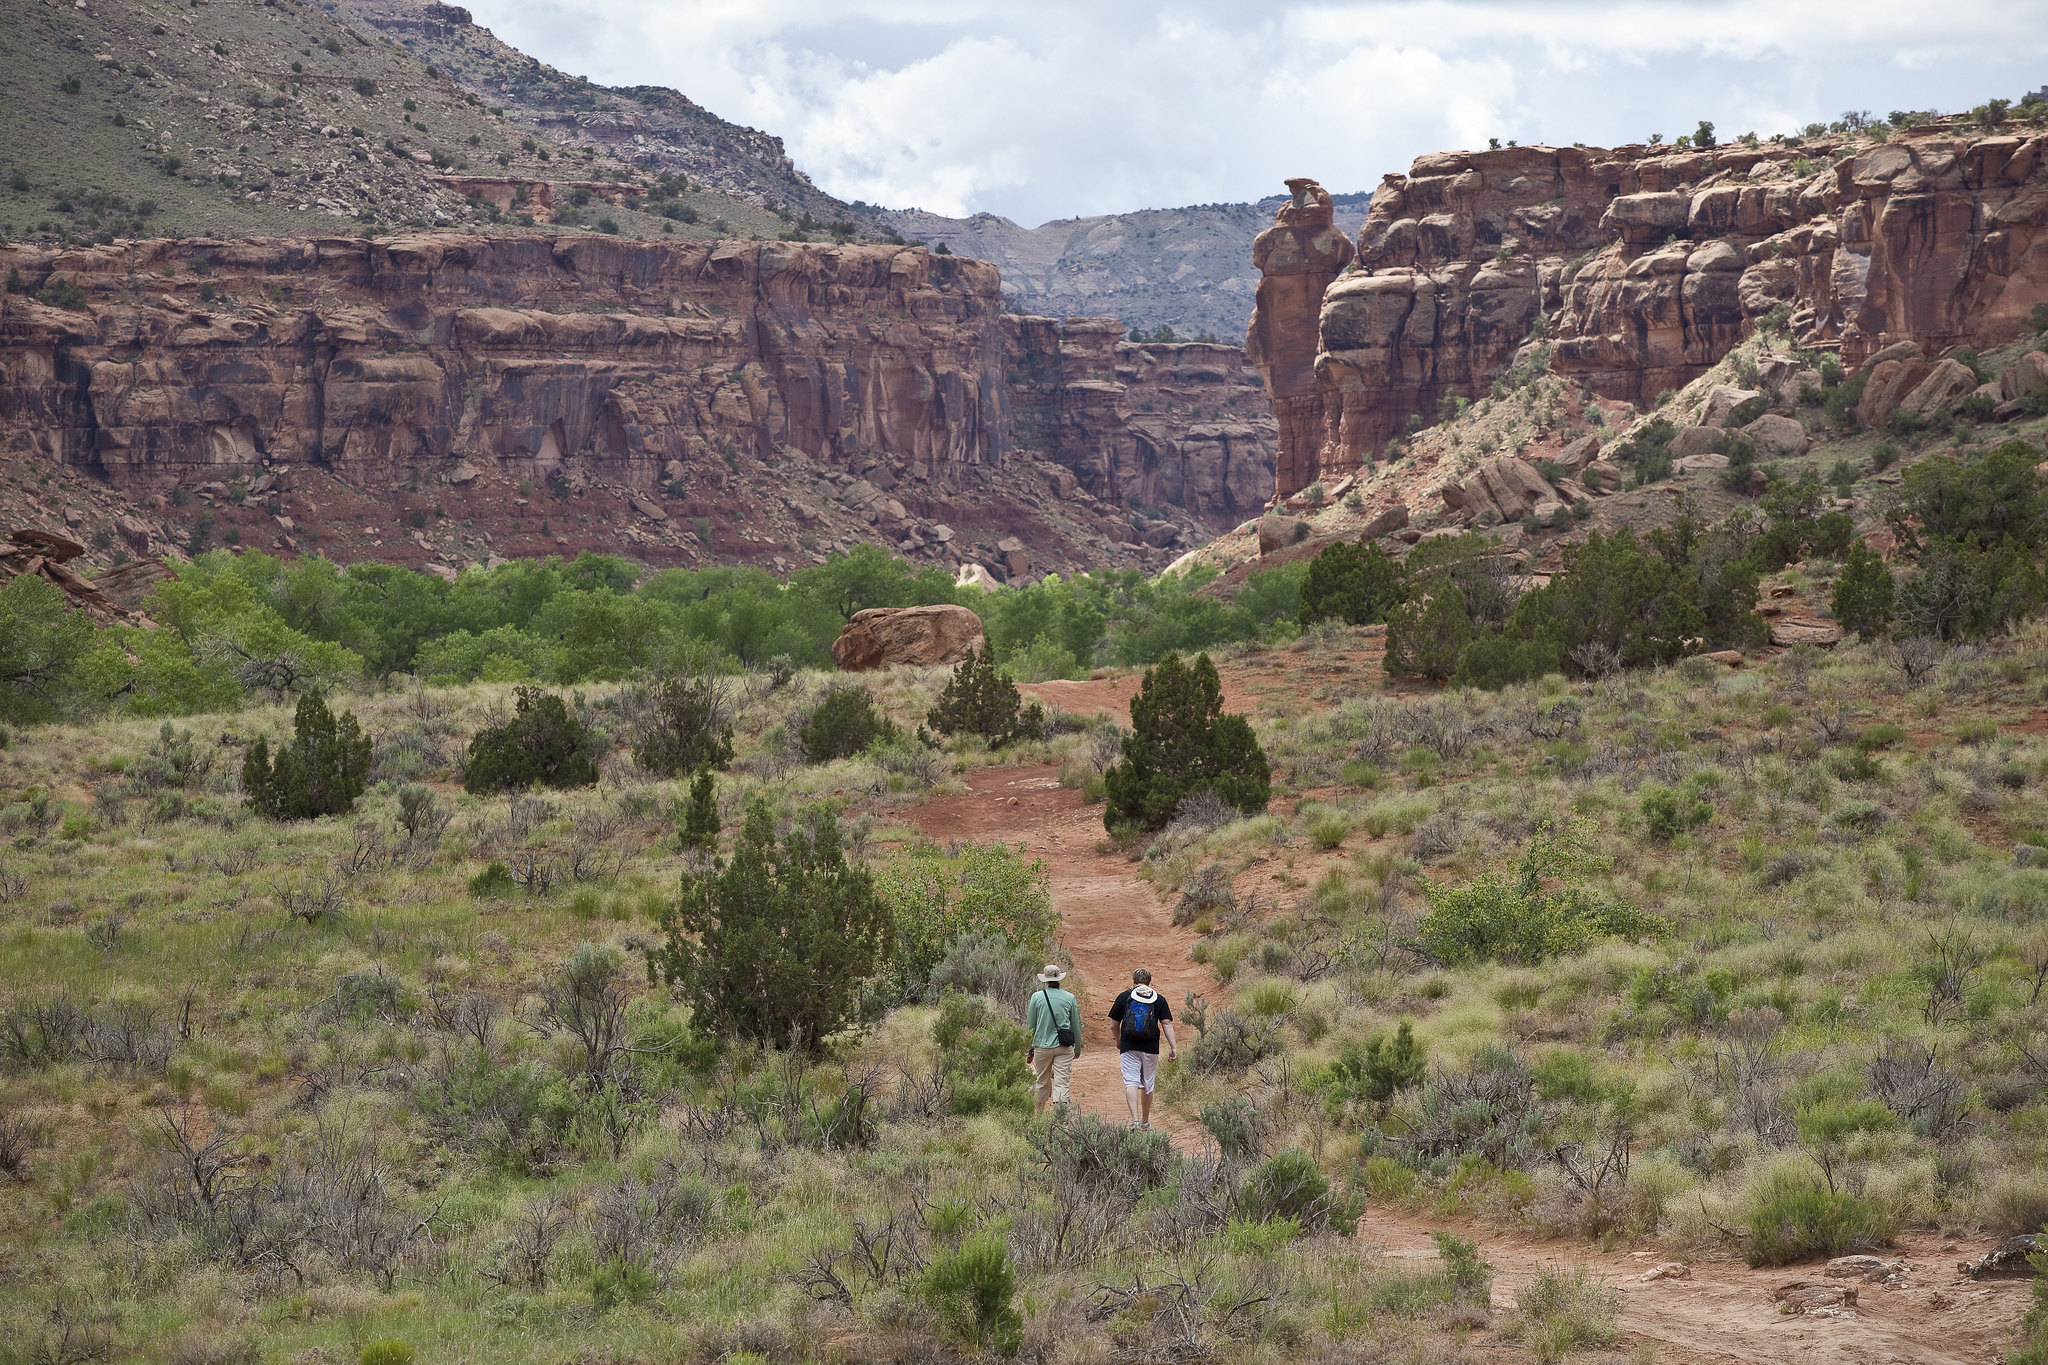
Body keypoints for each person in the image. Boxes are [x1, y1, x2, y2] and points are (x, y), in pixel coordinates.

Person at [1107, 967, 1177, 1128]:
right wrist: (1173, 1047)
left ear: (1133, 981)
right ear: (1149, 982)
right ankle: (1146, 1121)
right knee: (1148, 1083)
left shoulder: (1124, 997)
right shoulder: (1159, 999)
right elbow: (1166, 1023)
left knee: (1131, 1081)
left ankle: (1135, 1120)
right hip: (1151, 1047)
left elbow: (1113, 1024)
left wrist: (1118, 1040)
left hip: (1129, 1046)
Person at [1024, 963, 1081, 1112]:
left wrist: (1030, 1048)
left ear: (1045, 980)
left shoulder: (1036, 997)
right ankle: (1059, 1118)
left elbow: (1031, 1025)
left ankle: (1038, 1115)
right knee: (1062, 1082)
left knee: (1042, 1081)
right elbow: (1076, 1025)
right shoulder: (1070, 997)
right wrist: (1078, 1048)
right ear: (1059, 979)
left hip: (1042, 1047)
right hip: (1064, 1046)